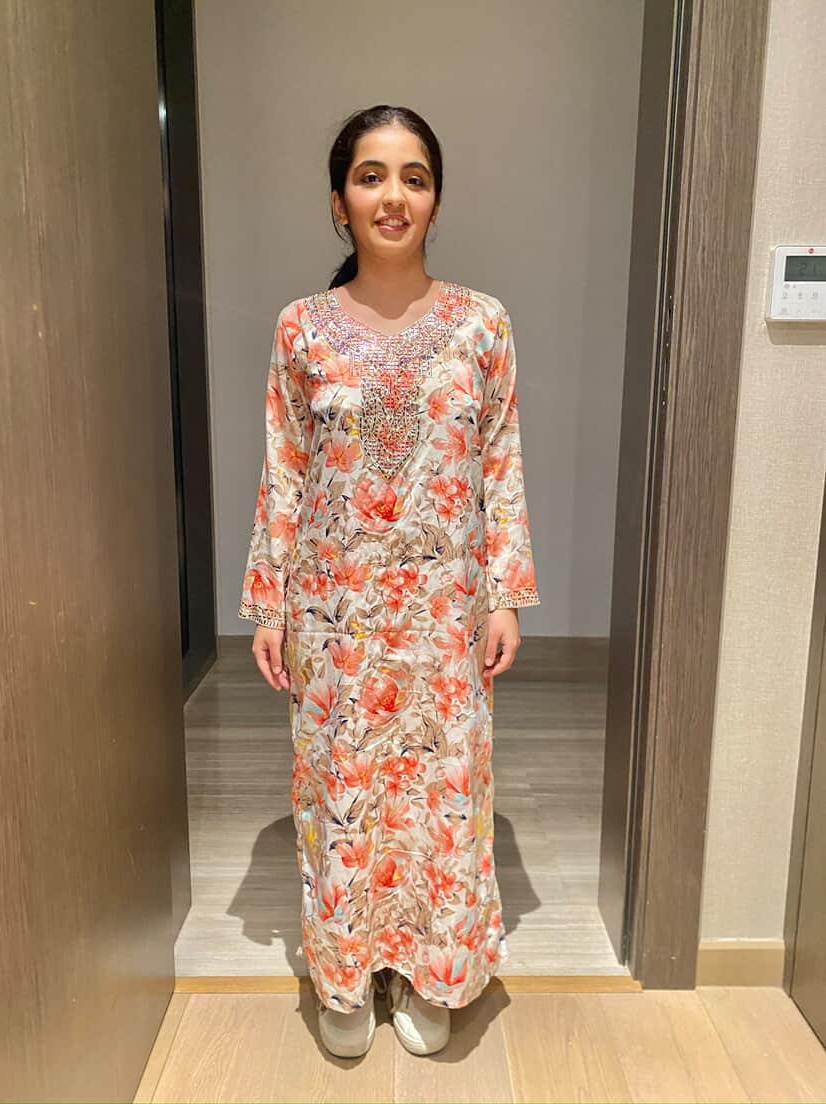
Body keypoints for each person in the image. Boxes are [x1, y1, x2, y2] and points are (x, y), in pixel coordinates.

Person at [238, 104, 540, 1058]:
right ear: (340, 202)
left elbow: (500, 462)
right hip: (335, 615)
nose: (393, 196)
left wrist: (504, 594)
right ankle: (346, 970)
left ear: (436, 200)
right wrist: (269, 603)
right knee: (344, 789)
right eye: (371, 176)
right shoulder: (302, 329)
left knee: (440, 793)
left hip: (444, 613)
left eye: (414, 177)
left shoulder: (482, 324)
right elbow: (285, 470)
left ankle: (428, 969)